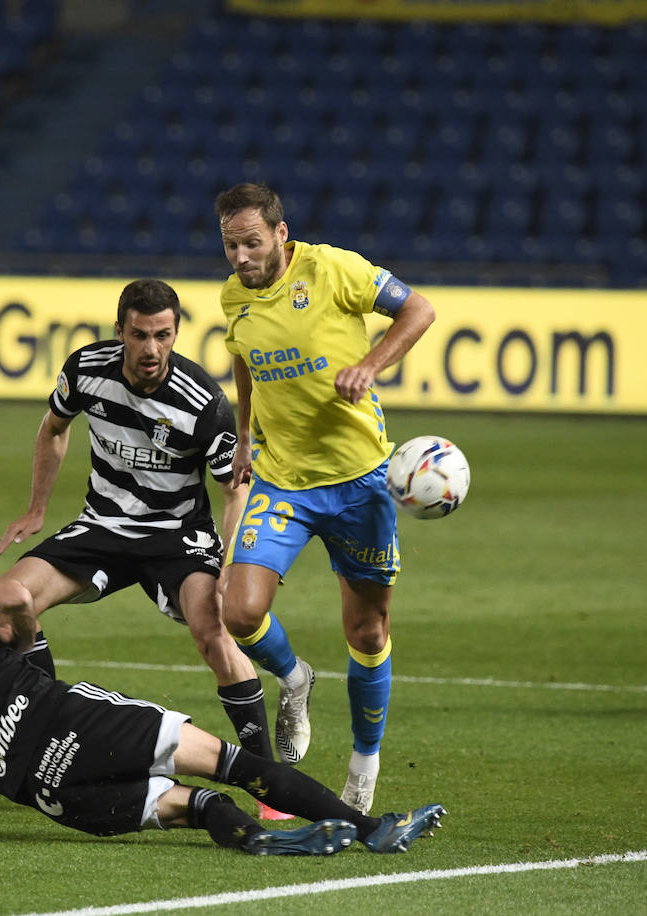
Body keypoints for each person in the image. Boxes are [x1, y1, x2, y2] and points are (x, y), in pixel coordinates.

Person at [0, 560, 446, 855]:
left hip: (41, 789)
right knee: (229, 763)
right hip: (70, 720)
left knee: (193, 807)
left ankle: (260, 841)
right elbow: (15, 595)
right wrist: (28, 642)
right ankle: (369, 828)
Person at [0, 278, 285, 815]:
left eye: (163, 335)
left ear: (176, 333)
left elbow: (233, 489)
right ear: (120, 330)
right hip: (103, 525)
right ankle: (46, 744)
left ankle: (270, 786)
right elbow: (54, 428)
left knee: (213, 633)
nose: (151, 348)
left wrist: (231, 560)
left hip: (177, 536)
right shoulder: (86, 369)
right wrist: (36, 508)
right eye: (140, 335)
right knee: (8, 609)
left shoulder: (203, 402)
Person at [212, 183, 436, 814]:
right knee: (240, 611)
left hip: (360, 480)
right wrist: (244, 436)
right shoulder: (234, 297)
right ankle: (294, 677)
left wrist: (370, 365)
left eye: (252, 242)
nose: (241, 257)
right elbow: (244, 360)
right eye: (230, 245)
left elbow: (419, 310)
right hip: (283, 480)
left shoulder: (333, 269)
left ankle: (363, 767)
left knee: (367, 629)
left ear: (281, 233)